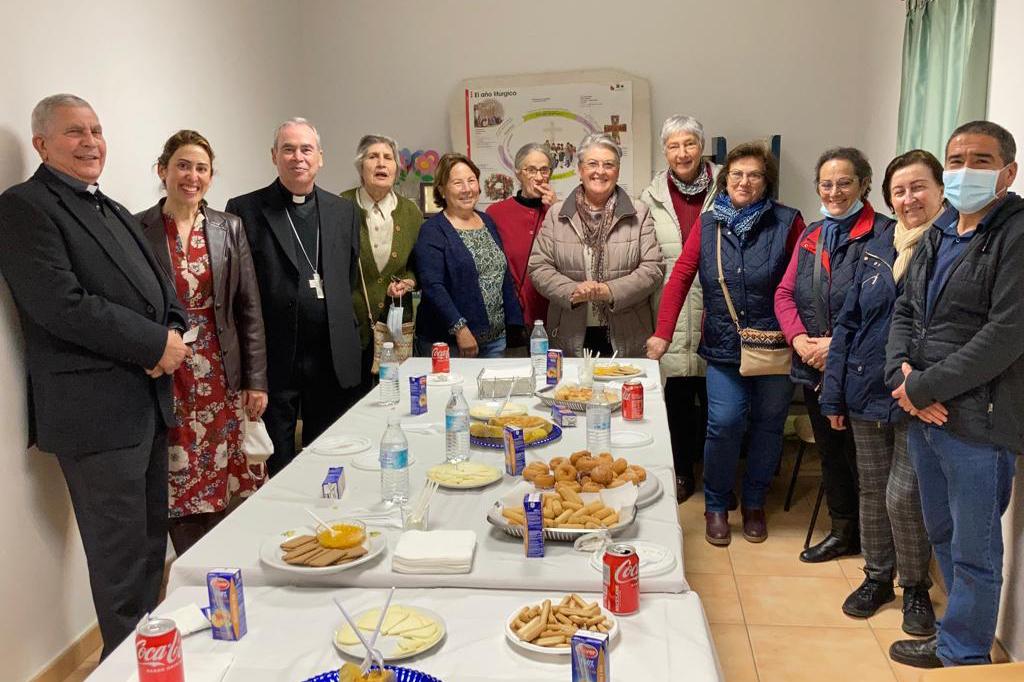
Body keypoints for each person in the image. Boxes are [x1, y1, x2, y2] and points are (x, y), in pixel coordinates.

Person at [0, 94, 189, 657]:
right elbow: (61, 305)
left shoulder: (108, 206)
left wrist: (172, 328)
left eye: (96, 130)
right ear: (41, 144)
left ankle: (152, 657)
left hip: (145, 405)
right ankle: (126, 664)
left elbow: (160, 287)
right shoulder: (24, 207)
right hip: (96, 417)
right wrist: (153, 345)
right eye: (74, 132)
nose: (90, 142)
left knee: (150, 550)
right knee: (120, 564)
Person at [886, 121, 1022, 669]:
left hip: (979, 421)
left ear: (1008, 172)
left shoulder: (1016, 234)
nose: (966, 171)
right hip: (925, 414)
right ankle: (952, 634)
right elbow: (905, 309)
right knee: (940, 529)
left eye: (980, 161)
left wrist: (921, 387)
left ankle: (965, 653)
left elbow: (1006, 335)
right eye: (957, 160)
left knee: (975, 548)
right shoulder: (941, 229)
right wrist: (900, 378)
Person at [649, 141, 804, 545]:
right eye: (737, 174)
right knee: (724, 423)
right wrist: (663, 333)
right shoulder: (708, 225)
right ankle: (716, 505)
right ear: (725, 179)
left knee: (768, 425)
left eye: (754, 175)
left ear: (766, 181)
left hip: (775, 346)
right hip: (723, 344)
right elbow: (680, 277)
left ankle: (754, 503)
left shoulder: (788, 222)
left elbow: (802, 284)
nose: (744, 181)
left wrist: (803, 336)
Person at [819, 149, 943, 635]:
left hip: (919, 397)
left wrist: (924, 384)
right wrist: (833, 394)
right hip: (865, 390)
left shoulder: (951, 245)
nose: (909, 199)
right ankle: (877, 577)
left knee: (904, 494)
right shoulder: (877, 246)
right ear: (889, 198)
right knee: (871, 489)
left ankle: (914, 587)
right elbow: (848, 322)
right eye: (900, 191)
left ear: (940, 191)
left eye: (919, 187)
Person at [137, 130, 268, 554]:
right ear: (163, 171)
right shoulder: (138, 228)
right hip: (167, 370)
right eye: (182, 166)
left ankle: (223, 560)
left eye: (201, 169)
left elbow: (248, 307)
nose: (192, 176)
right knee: (177, 475)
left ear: (211, 177)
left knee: (222, 473)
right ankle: (191, 563)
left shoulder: (228, 227)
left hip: (220, 371)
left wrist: (256, 381)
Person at [225, 118, 361, 476]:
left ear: (320, 157)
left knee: (329, 457)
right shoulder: (244, 210)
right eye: (288, 149)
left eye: (306, 149)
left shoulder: (344, 211)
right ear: (274, 156)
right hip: (277, 358)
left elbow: (346, 277)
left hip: (331, 358)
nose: (298, 157)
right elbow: (239, 292)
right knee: (279, 462)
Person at [775, 147, 889, 563]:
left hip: (862, 371)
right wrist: (798, 340)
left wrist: (837, 347)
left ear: (864, 184)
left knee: (868, 465)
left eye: (844, 183)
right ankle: (843, 533)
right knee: (831, 454)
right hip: (815, 368)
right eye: (826, 184)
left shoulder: (885, 235)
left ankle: (879, 549)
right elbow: (785, 293)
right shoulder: (812, 235)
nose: (835, 192)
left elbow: (884, 309)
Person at [529, 133, 663, 357]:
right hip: (569, 331)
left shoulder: (639, 212)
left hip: (627, 333)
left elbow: (653, 269)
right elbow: (539, 267)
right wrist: (572, 291)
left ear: (617, 171)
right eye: (592, 164)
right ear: (580, 169)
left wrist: (610, 291)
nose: (600, 171)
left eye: (608, 165)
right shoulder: (557, 214)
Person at [641, 115, 717, 503]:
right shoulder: (650, 197)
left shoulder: (728, 187)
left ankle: (717, 478)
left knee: (717, 401)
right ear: (664, 151)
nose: (682, 153)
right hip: (668, 307)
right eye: (674, 146)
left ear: (702, 147)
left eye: (689, 144)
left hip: (716, 307)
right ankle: (682, 471)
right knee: (677, 401)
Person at [413, 153, 522, 358]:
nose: (467, 189)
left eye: (471, 180)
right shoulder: (432, 230)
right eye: (457, 183)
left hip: (495, 340)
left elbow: (502, 274)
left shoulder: (487, 221)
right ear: (442, 190)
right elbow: (433, 286)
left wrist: (514, 322)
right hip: (451, 343)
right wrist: (460, 329)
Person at [340, 134, 422, 383]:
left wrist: (408, 282)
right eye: (373, 157)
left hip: (395, 329)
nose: (381, 163)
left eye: (388, 158)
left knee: (394, 393)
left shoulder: (411, 212)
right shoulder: (340, 206)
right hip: (351, 325)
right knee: (353, 397)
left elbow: (417, 266)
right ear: (360, 166)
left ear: (396, 168)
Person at [485, 143, 555, 349]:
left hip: (553, 313)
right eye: (531, 170)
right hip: (512, 316)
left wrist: (556, 210)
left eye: (544, 170)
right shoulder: (496, 213)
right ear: (518, 174)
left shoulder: (561, 212)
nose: (539, 177)